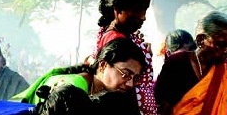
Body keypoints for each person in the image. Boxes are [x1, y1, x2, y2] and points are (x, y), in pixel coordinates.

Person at [93, 0, 165, 115]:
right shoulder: (117, 40)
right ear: (118, 9)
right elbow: (129, 98)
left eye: (145, 10)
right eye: (137, 10)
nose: (143, 17)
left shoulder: (114, 33)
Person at [15, 37, 146, 103]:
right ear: (103, 65)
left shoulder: (98, 93)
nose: (130, 84)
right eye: (126, 74)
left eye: (135, 78)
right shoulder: (74, 88)